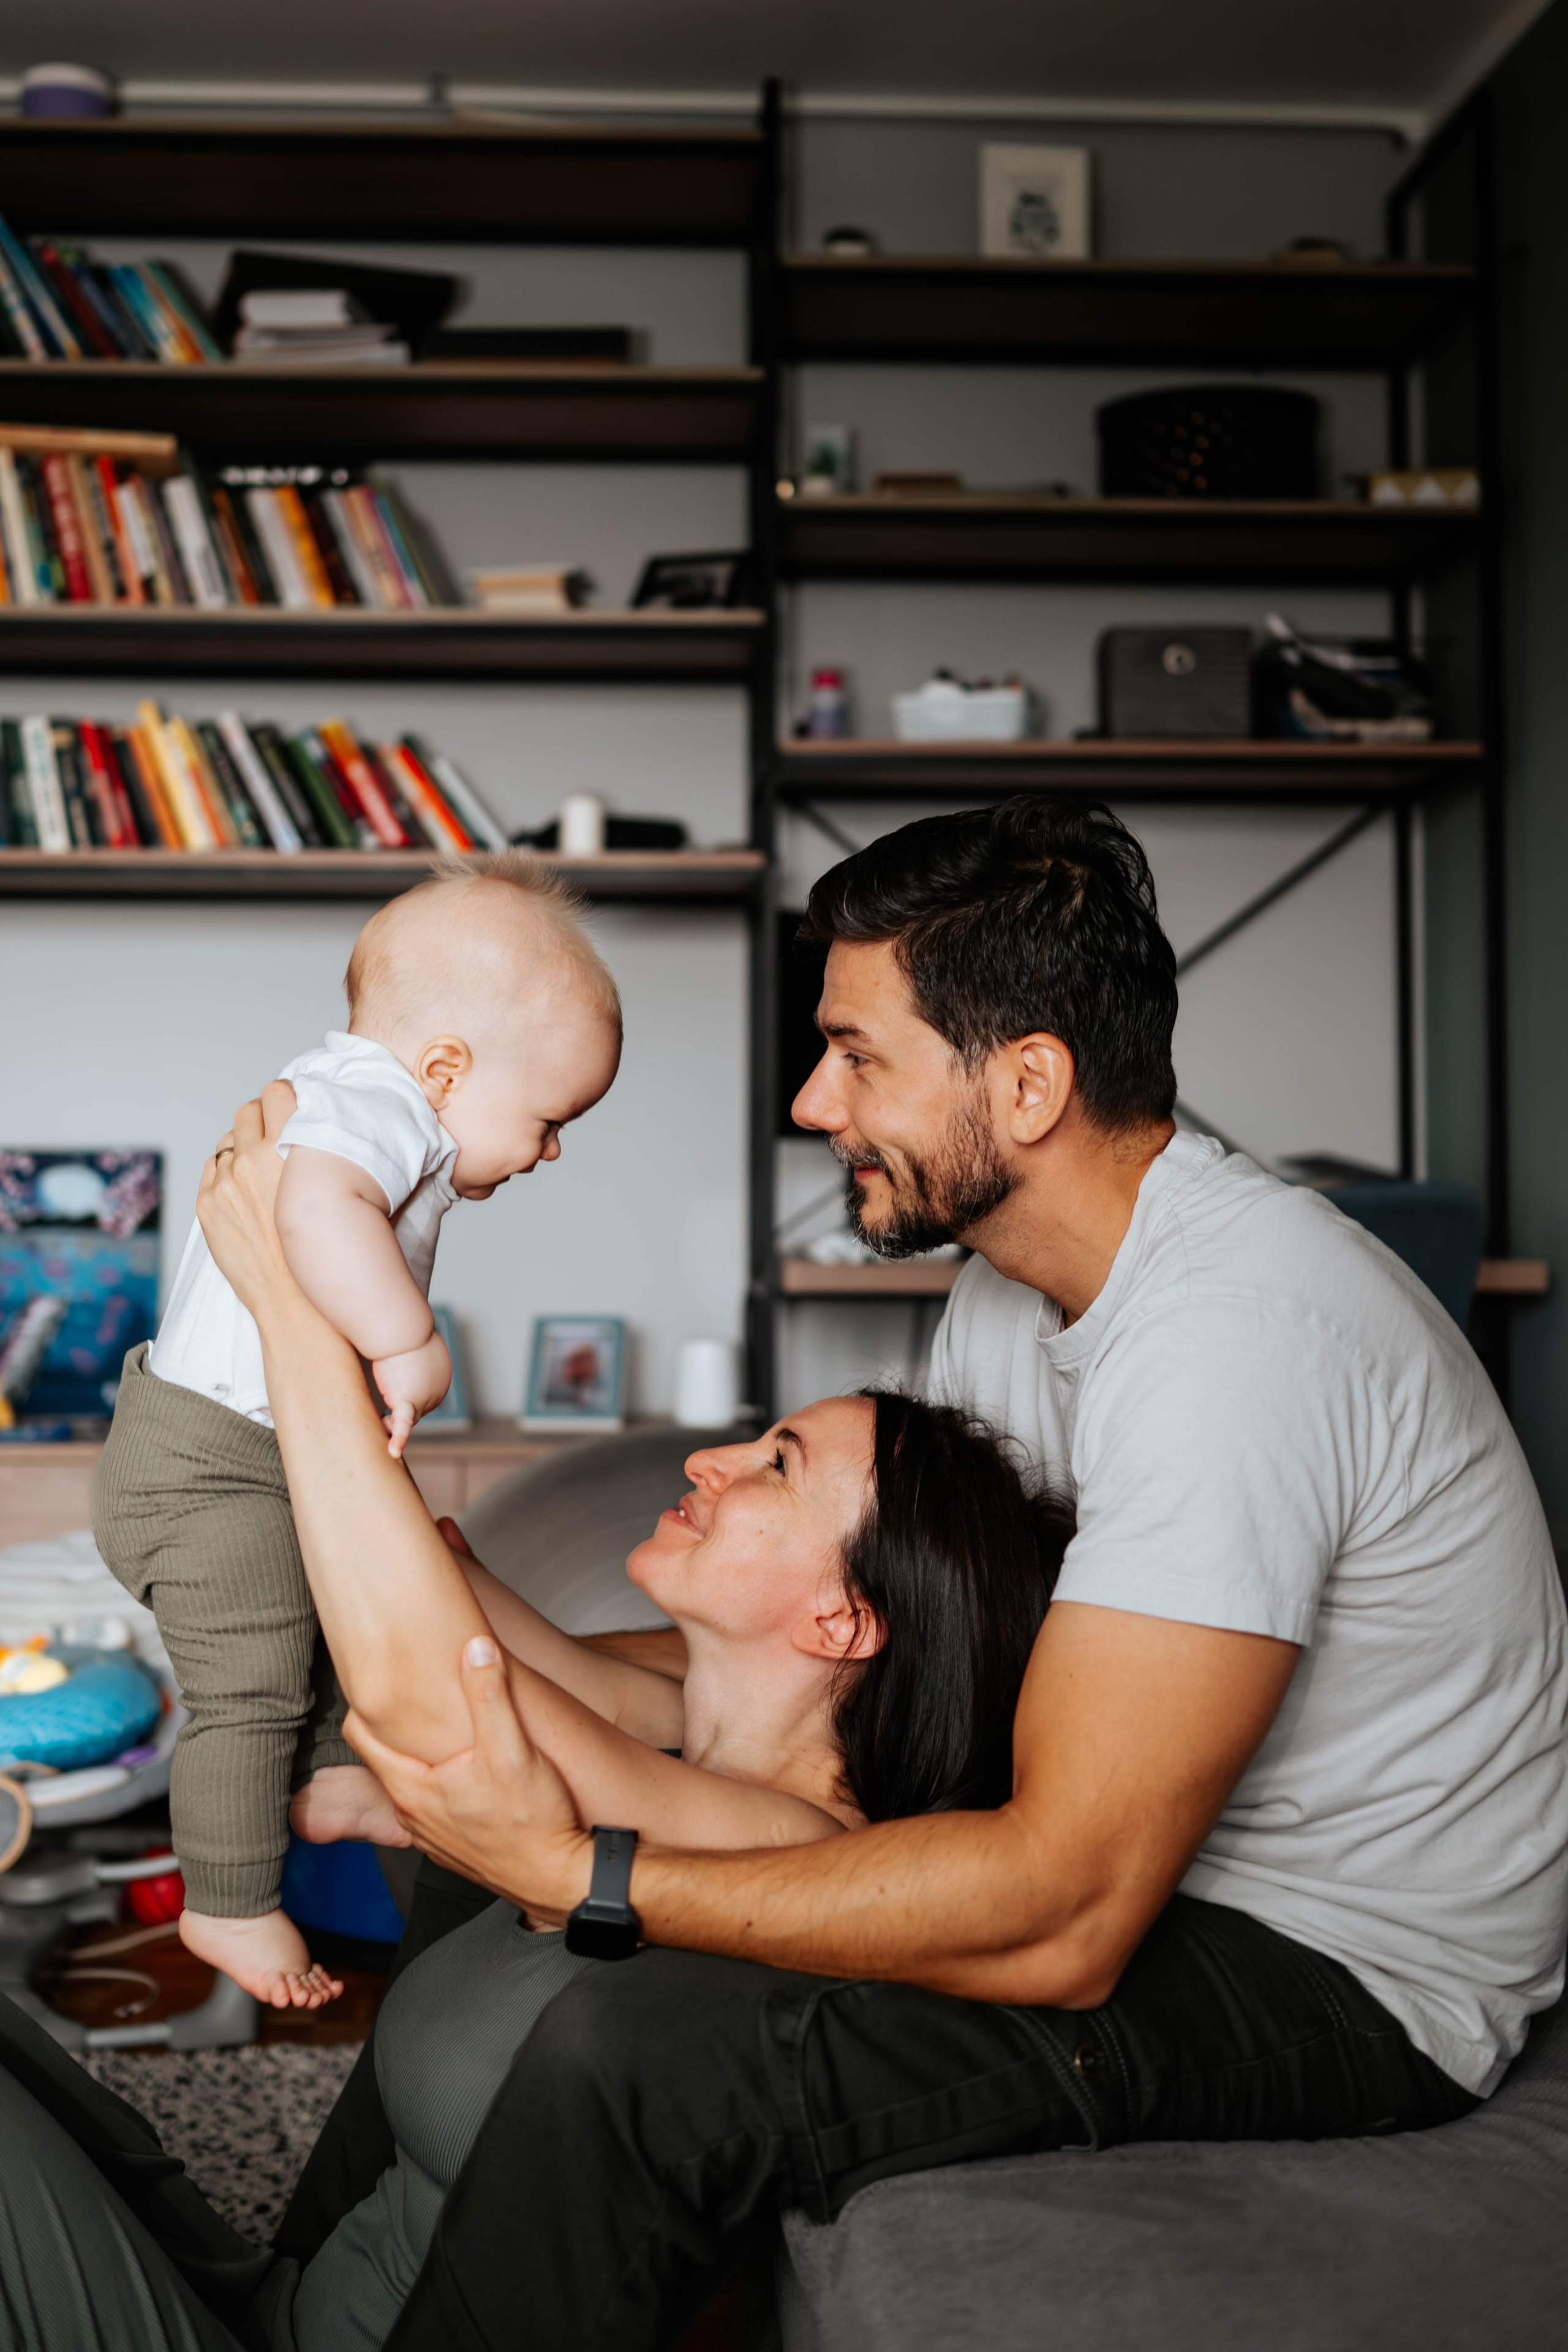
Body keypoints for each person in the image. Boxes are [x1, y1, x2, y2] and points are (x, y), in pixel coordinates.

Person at [298, 795, 1568, 2352]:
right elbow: (877, 1647)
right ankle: (289, 2292)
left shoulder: (1237, 1334)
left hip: (1338, 1962)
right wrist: (493, 1671)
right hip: (1131, 1849)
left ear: (1026, 1083)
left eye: (858, 1054)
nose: (813, 1099)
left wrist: (583, 1881)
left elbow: (1067, 1910)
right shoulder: (1004, 1296)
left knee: (642, 2056)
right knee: (494, 1796)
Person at [0, 1240, 1070, 2349]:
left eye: (778, 1467)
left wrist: (285, 1301)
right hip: (266, 2302)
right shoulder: (681, 1759)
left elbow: (445, 1664)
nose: (711, 1461)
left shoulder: (788, 1842)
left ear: (841, 1621)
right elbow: (434, 1567)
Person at [90, 850, 623, 2009]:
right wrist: (404, 1339)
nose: (550, 1149)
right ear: (445, 1068)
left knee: (338, 1617)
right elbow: (314, 1204)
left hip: (245, 1457)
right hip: (205, 1472)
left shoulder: (370, 1096)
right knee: (248, 1693)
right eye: (546, 1118)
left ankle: (331, 1783)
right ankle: (227, 1902)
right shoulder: (374, 1108)